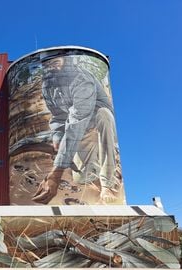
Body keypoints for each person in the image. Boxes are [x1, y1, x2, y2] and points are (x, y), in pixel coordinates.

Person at [32, 54, 118, 204]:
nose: (51, 65)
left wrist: (56, 174)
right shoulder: (48, 86)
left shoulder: (81, 79)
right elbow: (58, 116)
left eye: (55, 60)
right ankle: (94, 159)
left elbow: (77, 121)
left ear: (66, 60)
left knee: (104, 115)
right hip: (80, 129)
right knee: (83, 178)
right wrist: (58, 137)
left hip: (97, 123)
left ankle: (107, 184)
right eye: (47, 63)